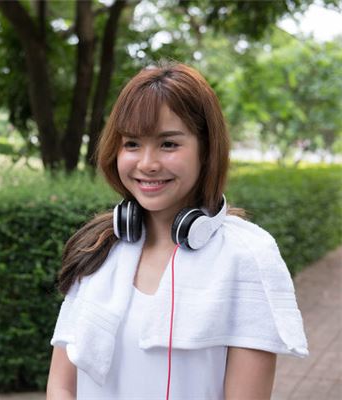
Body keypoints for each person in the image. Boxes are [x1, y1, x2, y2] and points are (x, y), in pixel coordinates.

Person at [46, 62, 308, 400]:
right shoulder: (98, 247)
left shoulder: (247, 257)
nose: (147, 164)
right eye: (132, 144)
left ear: (206, 150)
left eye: (168, 144)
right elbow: (62, 385)